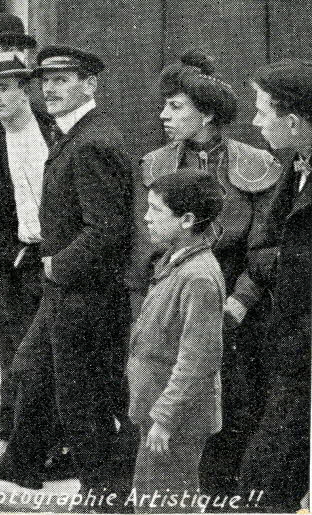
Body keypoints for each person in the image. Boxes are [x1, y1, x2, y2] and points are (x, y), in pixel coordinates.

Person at [0, 45, 134, 502]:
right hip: (64, 287)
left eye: (63, 80)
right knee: (31, 369)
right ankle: (23, 464)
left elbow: (108, 227)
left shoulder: (92, 142)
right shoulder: (74, 134)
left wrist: (56, 264)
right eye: (46, 81)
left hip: (82, 291)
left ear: (89, 84)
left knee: (82, 399)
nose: (52, 89)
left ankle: (103, 494)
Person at [132, 51, 281, 497]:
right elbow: (147, 250)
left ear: (208, 114)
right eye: (165, 105)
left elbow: (267, 247)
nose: (164, 115)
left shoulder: (255, 163)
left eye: (176, 107)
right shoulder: (157, 163)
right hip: (173, 299)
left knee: (232, 409)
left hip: (239, 305)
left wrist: (239, 302)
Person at [0, 50, 55, 442]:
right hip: (11, 253)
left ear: (24, 91)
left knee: (43, 347)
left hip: (49, 256)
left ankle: (41, 431)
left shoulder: (51, 130)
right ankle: (9, 416)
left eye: (2, 90)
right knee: (8, 338)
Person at [235, 59, 312, 513]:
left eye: (263, 112)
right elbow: (262, 245)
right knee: (267, 473)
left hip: (303, 346)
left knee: (267, 474)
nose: (256, 122)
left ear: (293, 121)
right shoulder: (295, 166)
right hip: (287, 343)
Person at [127, 169, 226, 513]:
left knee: (163, 506)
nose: (146, 217)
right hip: (158, 411)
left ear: (187, 219)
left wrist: (165, 418)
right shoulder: (176, 263)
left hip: (175, 420)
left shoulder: (198, 276)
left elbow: (198, 360)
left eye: (156, 210)